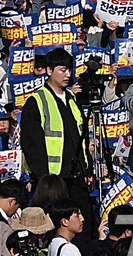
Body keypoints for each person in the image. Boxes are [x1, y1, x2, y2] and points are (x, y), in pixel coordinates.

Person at [21, 49, 91, 221]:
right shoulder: (37, 100)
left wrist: (87, 167)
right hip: (52, 180)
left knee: (85, 222)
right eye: (62, 69)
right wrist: (43, 177)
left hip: (77, 176)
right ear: (49, 70)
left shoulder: (73, 99)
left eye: (69, 70)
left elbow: (82, 137)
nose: (67, 74)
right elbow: (31, 144)